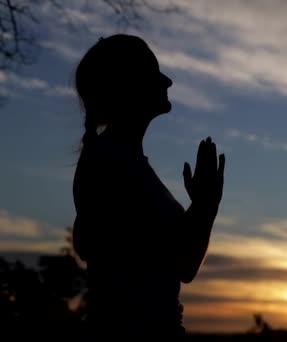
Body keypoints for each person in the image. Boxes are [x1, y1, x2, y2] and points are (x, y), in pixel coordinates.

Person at [71, 34, 225, 340]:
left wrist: (203, 206)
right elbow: (184, 263)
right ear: (128, 84)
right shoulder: (113, 164)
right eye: (154, 72)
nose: (167, 81)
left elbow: (173, 259)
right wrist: (206, 206)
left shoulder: (120, 160)